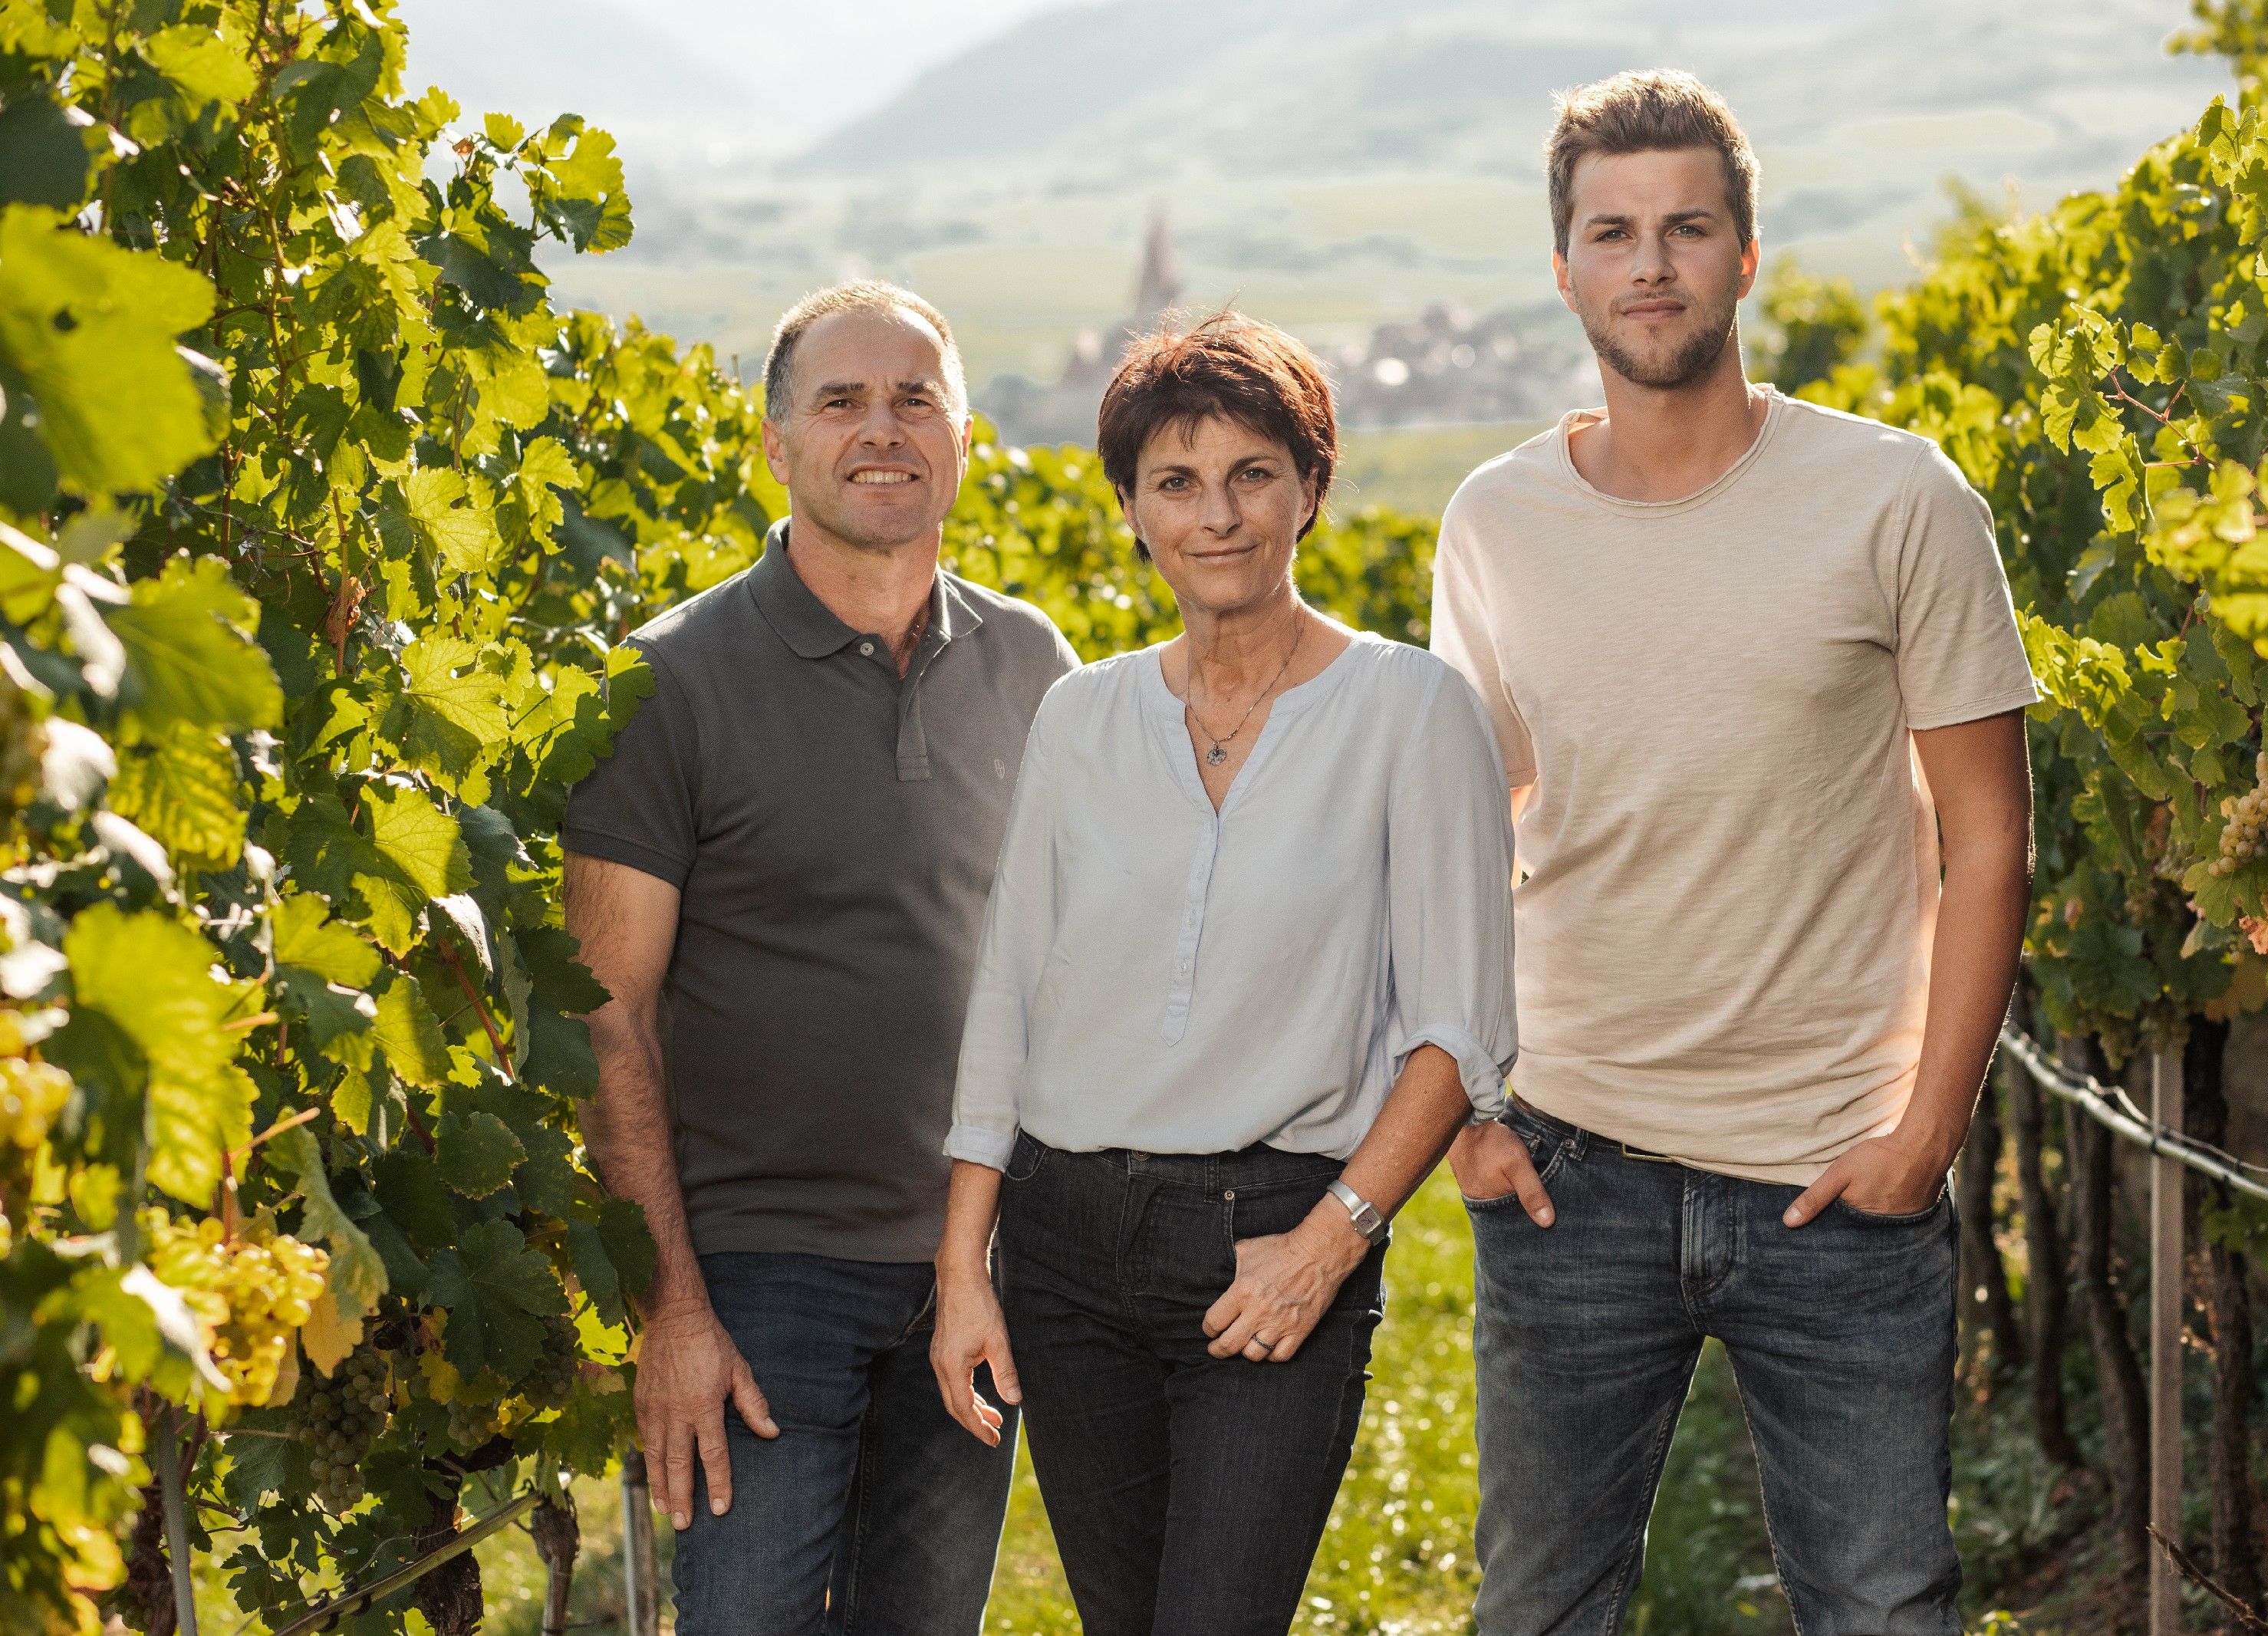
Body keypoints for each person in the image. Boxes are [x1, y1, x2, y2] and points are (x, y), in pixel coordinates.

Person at [1432, 71, 2036, 1636]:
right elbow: (1455, 836)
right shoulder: (1493, 521)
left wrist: (1923, 1134)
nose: (1650, 264)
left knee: (1885, 1607)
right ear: (1562, 267)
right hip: (1568, 1170)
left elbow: (1989, 833)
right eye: (1612, 233)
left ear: (1745, 255)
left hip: (1835, 1174)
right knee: (1536, 1611)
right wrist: (1461, 1114)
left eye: (1686, 227)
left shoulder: (1896, 496)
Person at [928, 313, 1517, 1636]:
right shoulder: (1084, 715)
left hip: (1270, 1235)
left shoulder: (1410, 712)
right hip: (1067, 1245)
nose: (1219, 515)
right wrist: (967, 1261)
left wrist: (1332, 1244)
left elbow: (1461, 1027)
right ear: (1132, 509)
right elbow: (1007, 991)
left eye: (1255, 472)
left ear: (1311, 487)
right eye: (1177, 482)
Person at [561, 280, 1078, 1634]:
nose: (883, 428)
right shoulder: (667, 681)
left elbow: (1076, 971)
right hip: (758, 1277)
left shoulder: (1038, 668)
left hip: (974, 1269)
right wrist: (671, 1307)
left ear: (966, 437)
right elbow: (608, 1016)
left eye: (917, 398)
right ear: (777, 442)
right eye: (842, 399)